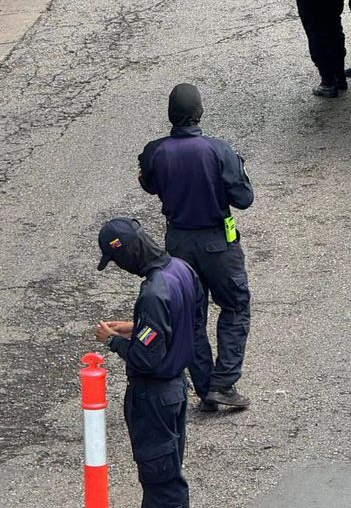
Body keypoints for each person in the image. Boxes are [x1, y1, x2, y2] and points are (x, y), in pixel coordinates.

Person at [138, 83, 254, 411]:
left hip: (178, 243)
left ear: (171, 115)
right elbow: (244, 199)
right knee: (234, 306)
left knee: (190, 314)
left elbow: (149, 184)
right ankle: (224, 382)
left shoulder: (154, 151)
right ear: (199, 113)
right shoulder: (219, 150)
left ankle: (206, 388)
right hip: (219, 242)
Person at [95, 217, 202, 508]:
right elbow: (186, 319)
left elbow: (145, 359)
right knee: (168, 474)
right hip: (176, 389)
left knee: (162, 484)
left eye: (117, 259)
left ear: (128, 253)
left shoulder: (153, 293)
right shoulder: (181, 269)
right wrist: (138, 326)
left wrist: (112, 340)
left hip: (154, 397)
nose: (119, 266)